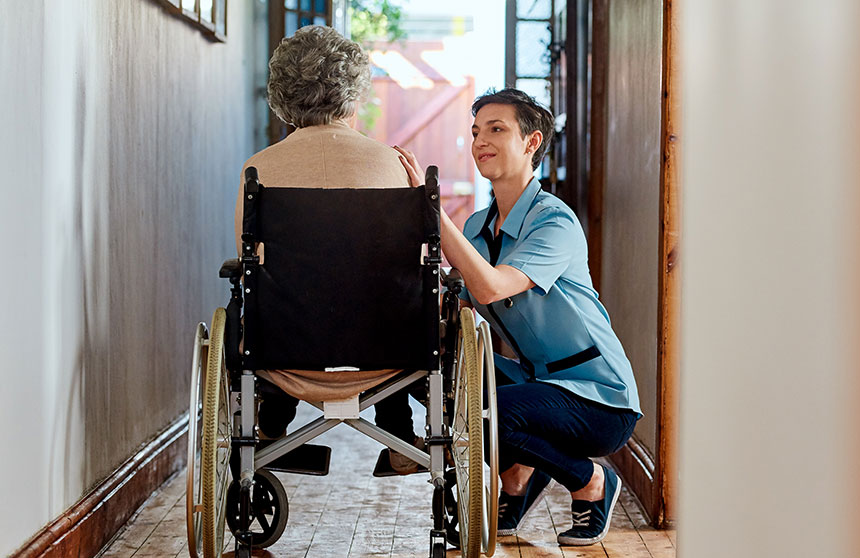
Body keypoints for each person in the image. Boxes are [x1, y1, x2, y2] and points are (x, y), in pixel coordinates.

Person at [394, 88, 642, 546]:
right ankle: (517, 476)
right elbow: (466, 308)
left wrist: (430, 210)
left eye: (496, 129)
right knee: (444, 382)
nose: (480, 141)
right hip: (539, 384)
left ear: (532, 142)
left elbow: (490, 286)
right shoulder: (477, 228)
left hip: (599, 398)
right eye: (475, 132)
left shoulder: (555, 223)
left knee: (485, 412)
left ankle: (591, 482)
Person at [234, 25, 422, 475]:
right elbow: (410, 264)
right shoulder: (393, 164)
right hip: (385, 350)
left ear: (283, 94)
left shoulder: (259, 170)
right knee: (392, 298)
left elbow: (250, 260)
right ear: (354, 92)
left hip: (285, 350)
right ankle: (399, 437)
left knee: (272, 294)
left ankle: (271, 429)